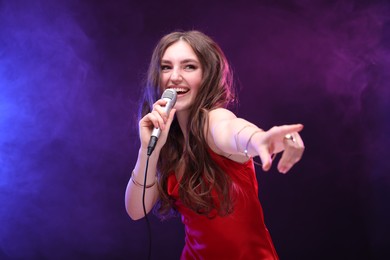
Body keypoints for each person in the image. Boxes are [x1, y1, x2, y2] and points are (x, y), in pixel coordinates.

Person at [125, 30, 305, 260]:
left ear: (207, 75)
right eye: (166, 67)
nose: (175, 77)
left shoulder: (214, 119)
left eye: (189, 67)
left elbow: (233, 131)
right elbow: (135, 210)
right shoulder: (170, 141)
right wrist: (148, 150)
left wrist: (260, 138)